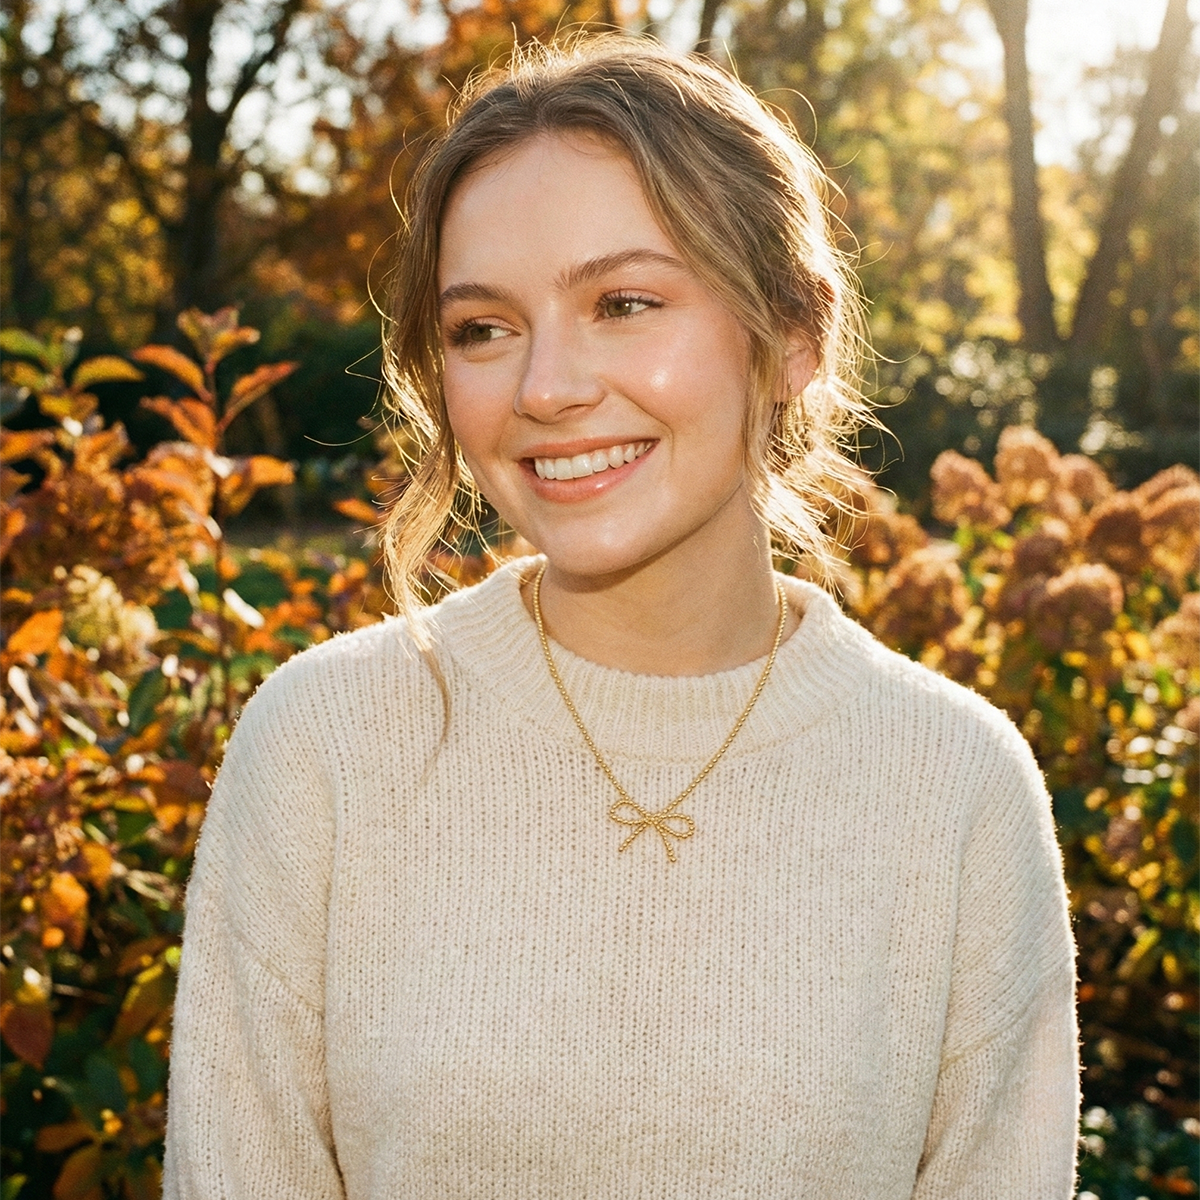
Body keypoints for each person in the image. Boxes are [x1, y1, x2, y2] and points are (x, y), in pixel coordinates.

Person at [162, 35, 1080, 1200]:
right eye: (482, 329)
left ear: (794, 332)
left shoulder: (954, 786)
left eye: (624, 301)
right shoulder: (324, 749)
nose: (545, 387)